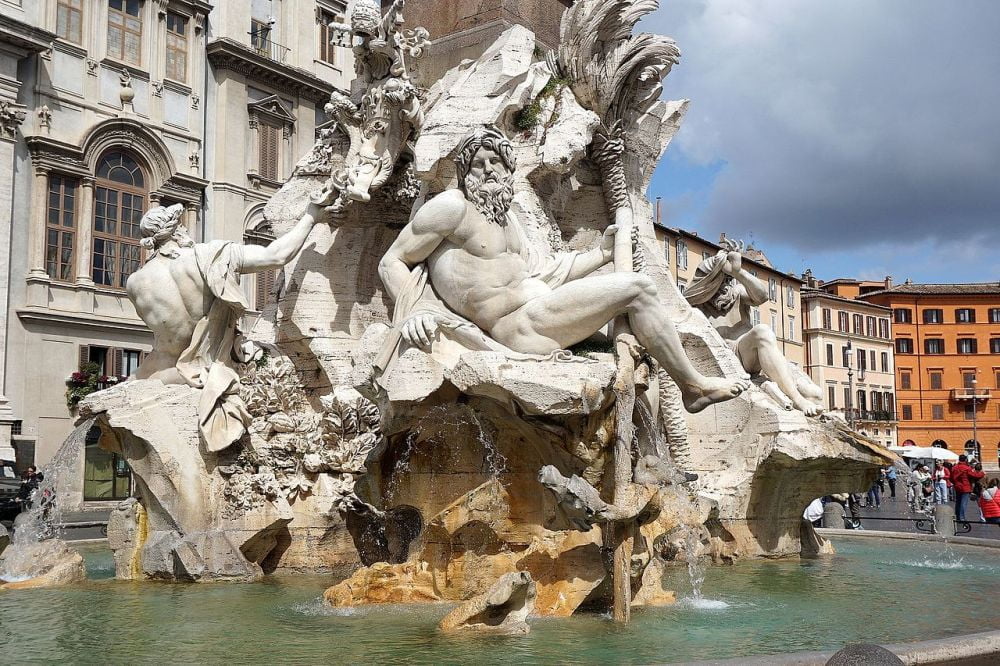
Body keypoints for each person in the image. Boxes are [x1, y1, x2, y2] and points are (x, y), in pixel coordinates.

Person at [377, 126, 750, 413]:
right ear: (466, 171)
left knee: (637, 331)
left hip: (541, 311)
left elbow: (547, 274)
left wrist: (603, 254)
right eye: (479, 163)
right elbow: (392, 260)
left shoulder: (509, 222)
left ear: (509, 169)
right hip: (516, 327)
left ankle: (666, 418)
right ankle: (693, 387)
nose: (489, 171)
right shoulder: (452, 207)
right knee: (638, 289)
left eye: (497, 163)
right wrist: (414, 311)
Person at [127, 201, 329, 453]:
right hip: (215, 363)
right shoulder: (211, 255)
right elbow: (277, 255)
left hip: (167, 370)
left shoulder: (135, 283)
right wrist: (311, 216)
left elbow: (162, 337)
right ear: (178, 230)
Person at [684, 240, 823, 415]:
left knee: (816, 394)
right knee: (763, 332)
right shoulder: (696, 305)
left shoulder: (736, 294)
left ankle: (798, 398)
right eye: (722, 279)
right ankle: (797, 399)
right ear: (709, 282)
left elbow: (763, 296)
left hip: (748, 351)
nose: (726, 285)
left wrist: (738, 272)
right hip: (724, 360)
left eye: (728, 280)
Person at [950, 454, 986, 521]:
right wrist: (982, 474)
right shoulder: (967, 468)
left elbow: (951, 478)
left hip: (957, 487)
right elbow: (974, 475)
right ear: (966, 460)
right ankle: (962, 518)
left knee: (958, 502)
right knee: (963, 503)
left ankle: (957, 516)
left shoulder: (954, 467)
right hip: (965, 487)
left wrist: (955, 483)